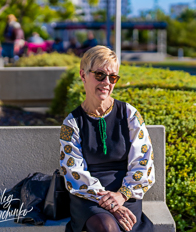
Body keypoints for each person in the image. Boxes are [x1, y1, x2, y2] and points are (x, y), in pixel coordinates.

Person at [59, 46, 155, 232]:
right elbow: (73, 171)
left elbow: (144, 162)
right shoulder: (72, 123)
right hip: (88, 196)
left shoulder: (129, 114)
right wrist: (108, 201)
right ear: (83, 75)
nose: (106, 82)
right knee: (106, 227)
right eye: (100, 75)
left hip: (126, 193)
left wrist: (121, 196)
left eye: (113, 77)